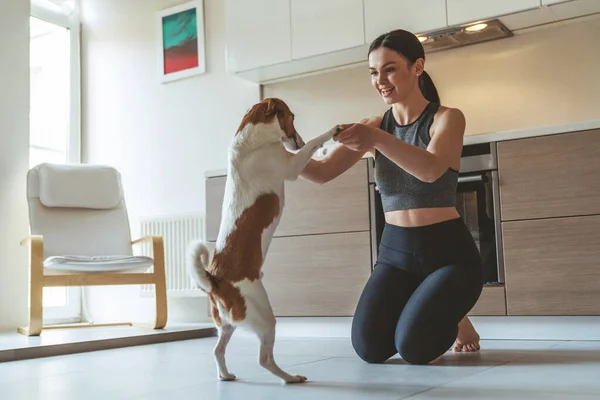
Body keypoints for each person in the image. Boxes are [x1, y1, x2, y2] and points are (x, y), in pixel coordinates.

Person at [299, 29, 484, 365]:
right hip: (396, 253)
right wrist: (283, 146)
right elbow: (321, 172)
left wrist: (377, 138)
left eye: (389, 68)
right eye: (373, 72)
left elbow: (429, 170)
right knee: (369, 348)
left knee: (414, 349)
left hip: (449, 256)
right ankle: (433, 304)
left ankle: (452, 314)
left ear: (417, 67)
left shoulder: (446, 118)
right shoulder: (374, 125)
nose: (380, 80)